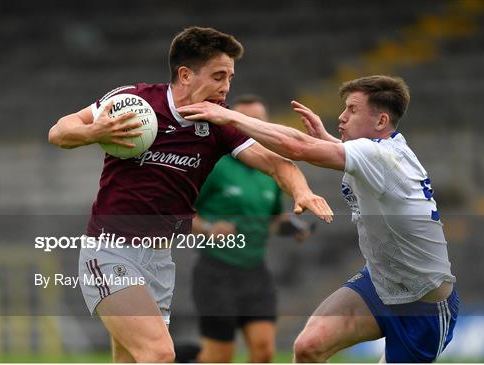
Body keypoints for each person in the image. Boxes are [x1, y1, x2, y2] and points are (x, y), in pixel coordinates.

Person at [48, 26, 333, 363]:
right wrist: (94, 130)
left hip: (158, 260)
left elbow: (276, 164)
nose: (226, 87)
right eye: (218, 76)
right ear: (185, 74)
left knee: (130, 359)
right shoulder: (135, 102)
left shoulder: (219, 125)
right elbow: (60, 131)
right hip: (110, 252)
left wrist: (301, 191)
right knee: (158, 354)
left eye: (229, 77)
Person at [178, 75, 459, 363]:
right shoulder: (382, 152)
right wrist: (327, 140)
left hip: (422, 303)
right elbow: (354, 157)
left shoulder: (380, 157)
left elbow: (297, 148)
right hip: (379, 283)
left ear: (380, 121)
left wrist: (228, 116)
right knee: (308, 346)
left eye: (352, 109)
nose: (342, 115)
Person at [184, 95, 313, 363]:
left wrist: (293, 227)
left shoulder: (272, 169)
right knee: (219, 357)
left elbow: (274, 219)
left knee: (264, 351)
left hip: (255, 272)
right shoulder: (215, 165)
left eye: (259, 121)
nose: (253, 126)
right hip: (215, 271)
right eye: (246, 120)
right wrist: (209, 227)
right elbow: (180, 210)